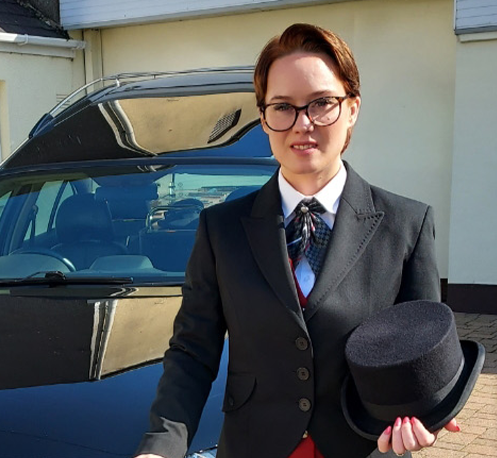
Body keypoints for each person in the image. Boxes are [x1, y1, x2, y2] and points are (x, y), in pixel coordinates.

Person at [134, 23, 459, 458]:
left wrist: (422, 419)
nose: (302, 124)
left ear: (352, 109)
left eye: (322, 103)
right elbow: (192, 352)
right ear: (264, 117)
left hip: (362, 448)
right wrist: (162, 446)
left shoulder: (406, 225)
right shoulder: (221, 229)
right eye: (283, 107)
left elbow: (418, 353)